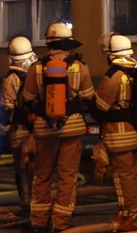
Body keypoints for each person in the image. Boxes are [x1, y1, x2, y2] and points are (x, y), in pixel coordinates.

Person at [20, 21, 96, 233]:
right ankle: (61, 223)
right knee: (67, 177)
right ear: (67, 44)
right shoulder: (79, 66)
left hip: (44, 130)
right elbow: (89, 98)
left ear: (49, 44)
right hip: (72, 128)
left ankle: (39, 221)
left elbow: (27, 98)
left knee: (42, 175)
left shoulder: (37, 67)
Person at [94, 33, 137, 232]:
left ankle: (128, 217)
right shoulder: (136, 72)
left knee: (122, 177)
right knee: (136, 175)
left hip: (119, 137)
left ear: (111, 54)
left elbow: (101, 106)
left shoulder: (113, 76)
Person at [0, 35, 38, 223]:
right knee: (39, 169)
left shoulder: (10, 78)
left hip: (20, 131)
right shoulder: (38, 74)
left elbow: (7, 107)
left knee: (22, 170)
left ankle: (27, 206)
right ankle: (41, 205)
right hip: (39, 130)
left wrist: (2, 129)